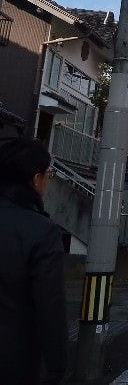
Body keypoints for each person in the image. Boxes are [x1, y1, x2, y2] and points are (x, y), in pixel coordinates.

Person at [0, 138, 68, 384]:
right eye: (48, 174)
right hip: (14, 359)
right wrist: (56, 365)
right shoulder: (41, 231)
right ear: (36, 179)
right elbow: (50, 306)